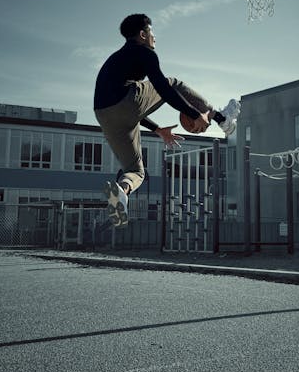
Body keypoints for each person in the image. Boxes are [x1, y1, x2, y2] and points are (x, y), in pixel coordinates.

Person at [94, 13, 240, 227]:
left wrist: (158, 129)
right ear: (143, 34)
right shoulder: (145, 52)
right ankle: (221, 118)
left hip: (104, 115)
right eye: (152, 32)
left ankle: (121, 191)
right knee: (174, 83)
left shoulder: (116, 59)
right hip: (124, 102)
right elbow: (163, 87)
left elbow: (130, 108)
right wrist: (193, 113)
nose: (155, 37)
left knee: (135, 171)